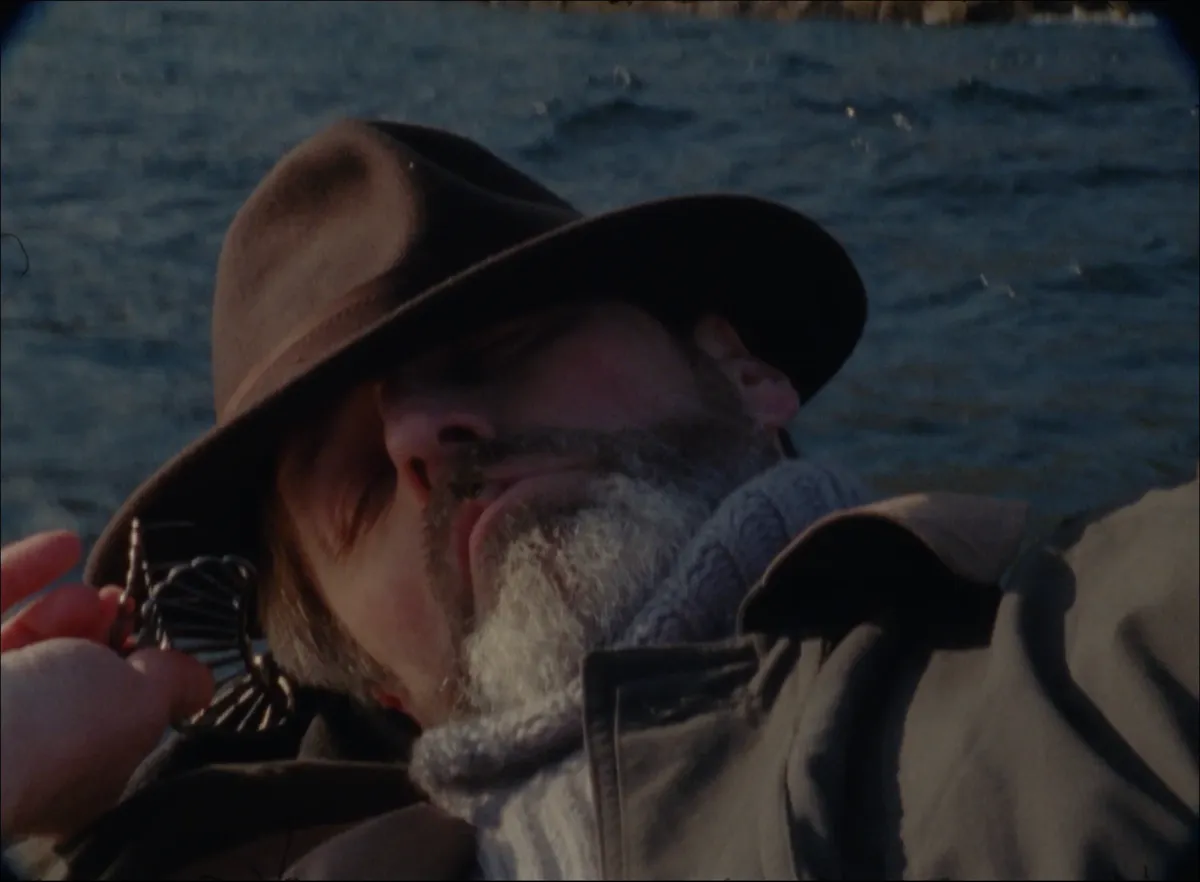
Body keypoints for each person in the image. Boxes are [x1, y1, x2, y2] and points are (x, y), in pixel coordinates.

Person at [1, 119, 1197, 881]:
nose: (420, 434)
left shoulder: (1093, 665)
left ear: (745, 369)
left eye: (500, 345)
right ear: (373, 681)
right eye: (357, 483)